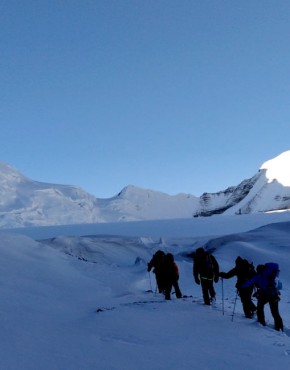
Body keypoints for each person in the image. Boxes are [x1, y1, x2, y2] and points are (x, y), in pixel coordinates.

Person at [242, 263, 283, 331]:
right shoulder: (270, 274)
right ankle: (279, 327)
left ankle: (261, 322)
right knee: (275, 312)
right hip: (274, 294)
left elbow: (249, 282)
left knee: (260, 307)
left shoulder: (258, 275)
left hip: (265, 294)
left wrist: (242, 286)